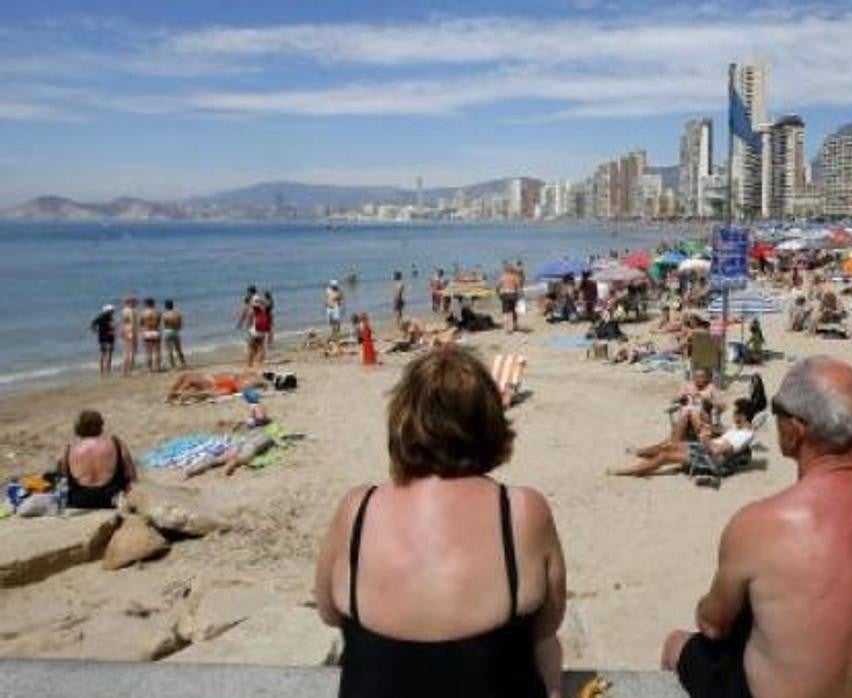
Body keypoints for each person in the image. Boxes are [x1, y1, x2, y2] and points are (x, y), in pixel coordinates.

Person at [661, 358, 852, 698]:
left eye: (776, 408)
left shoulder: (760, 523)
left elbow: (713, 625)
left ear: (795, 429)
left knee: (677, 645)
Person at [314, 348, 565, 698]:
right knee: (547, 648)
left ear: (402, 420)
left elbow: (328, 612)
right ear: (490, 422)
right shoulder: (523, 511)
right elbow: (548, 624)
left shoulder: (357, 508)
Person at [611, 399, 755, 477]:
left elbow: (718, 451)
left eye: (736, 413)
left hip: (709, 458)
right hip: (705, 449)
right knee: (668, 445)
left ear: (742, 415)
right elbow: (721, 431)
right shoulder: (739, 428)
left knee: (665, 456)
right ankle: (640, 453)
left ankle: (627, 471)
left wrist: (705, 439)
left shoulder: (745, 435)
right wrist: (712, 420)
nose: (733, 415)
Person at [57, 410, 138, 509]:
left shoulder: (69, 449)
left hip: (80, 500)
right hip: (111, 497)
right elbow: (131, 474)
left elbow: (63, 479)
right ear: (100, 425)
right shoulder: (116, 443)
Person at [670, 368, 725, 443]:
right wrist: (682, 397)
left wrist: (708, 400)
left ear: (707, 378)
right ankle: (676, 444)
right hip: (686, 417)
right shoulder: (687, 386)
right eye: (696, 376)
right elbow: (673, 400)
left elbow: (722, 407)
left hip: (703, 418)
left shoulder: (711, 388)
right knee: (687, 411)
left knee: (690, 411)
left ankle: (675, 442)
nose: (698, 379)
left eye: (701, 376)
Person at [166, 370, 266, 403]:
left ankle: (173, 395)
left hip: (210, 383)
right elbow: (254, 374)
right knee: (185, 376)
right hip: (210, 379)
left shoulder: (234, 388)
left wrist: (195, 395)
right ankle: (174, 394)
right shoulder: (239, 379)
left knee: (188, 379)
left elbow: (212, 394)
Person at [90, 304, 116, 377]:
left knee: (103, 353)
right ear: (108, 311)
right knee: (108, 353)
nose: (113, 311)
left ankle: (102, 371)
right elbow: (93, 324)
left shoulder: (102, 317)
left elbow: (92, 324)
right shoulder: (106, 317)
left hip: (102, 337)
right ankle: (107, 370)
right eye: (112, 310)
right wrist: (96, 330)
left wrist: (96, 330)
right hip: (108, 337)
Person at [247, 296, 272, 368]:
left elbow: (249, 323)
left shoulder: (253, 311)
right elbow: (269, 326)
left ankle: (250, 365)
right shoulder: (267, 313)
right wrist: (270, 336)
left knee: (251, 348)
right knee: (261, 348)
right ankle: (259, 363)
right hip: (262, 333)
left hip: (254, 333)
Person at [498, 264, 523, 334]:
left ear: (506, 270)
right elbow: (518, 287)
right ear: (512, 270)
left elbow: (498, 286)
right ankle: (515, 326)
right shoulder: (515, 277)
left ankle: (506, 328)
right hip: (513, 294)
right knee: (513, 311)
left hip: (505, 294)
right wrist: (520, 296)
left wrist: (498, 294)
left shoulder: (503, 277)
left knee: (505, 312)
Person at [139, 297, 162, 372]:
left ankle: (150, 368)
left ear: (146, 304)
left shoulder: (143, 313)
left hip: (147, 332)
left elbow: (141, 323)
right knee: (157, 351)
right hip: (155, 331)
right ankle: (158, 367)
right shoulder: (157, 312)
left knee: (148, 352)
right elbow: (159, 322)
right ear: (153, 304)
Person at [162, 299, 187, 369]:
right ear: (172, 305)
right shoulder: (177, 314)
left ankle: (172, 365)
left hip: (167, 331)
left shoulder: (164, 314)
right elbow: (180, 324)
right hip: (176, 331)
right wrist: (177, 328)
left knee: (169, 349)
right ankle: (183, 363)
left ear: (166, 306)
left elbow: (165, 324)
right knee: (178, 349)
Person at [120, 296, 138, 376]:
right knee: (132, 352)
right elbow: (133, 323)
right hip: (131, 330)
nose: (135, 303)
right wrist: (134, 333)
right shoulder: (131, 311)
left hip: (125, 330)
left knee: (126, 351)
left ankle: (124, 370)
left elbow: (123, 322)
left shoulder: (123, 311)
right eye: (134, 302)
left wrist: (122, 331)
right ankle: (129, 370)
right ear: (130, 302)